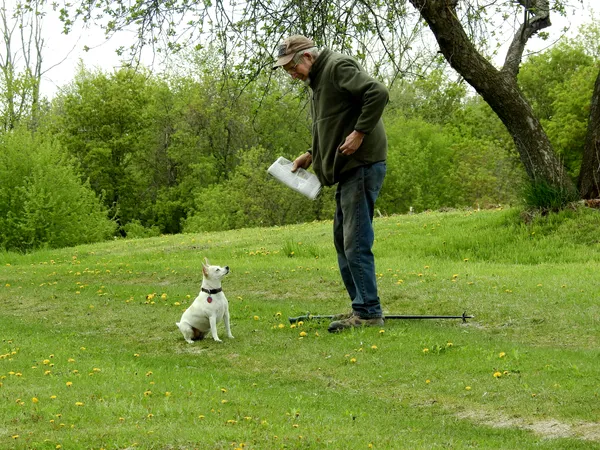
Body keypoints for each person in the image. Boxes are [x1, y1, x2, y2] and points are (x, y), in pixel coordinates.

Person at [272, 35, 389, 332]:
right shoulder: (319, 80)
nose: (292, 74)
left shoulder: (337, 67)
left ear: (307, 57)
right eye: (287, 70)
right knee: (342, 240)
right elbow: (335, 124)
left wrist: (360, 133)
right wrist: (312, 154)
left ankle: (369, 313)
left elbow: (377, 92)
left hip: (361, 165)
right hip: (347, 169)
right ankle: (360, 307)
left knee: (355, 241)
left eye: (292, 68)